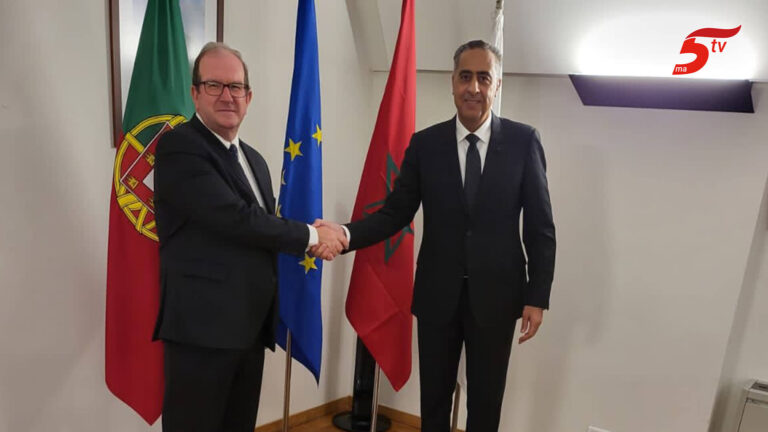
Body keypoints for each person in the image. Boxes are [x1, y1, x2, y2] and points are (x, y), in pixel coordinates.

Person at [314, 40, 556, 431]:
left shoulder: (524, 141)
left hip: (497, 297)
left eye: (483, 78)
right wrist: (344, 233)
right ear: (453, 82)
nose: (473, 87)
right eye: (465, 77)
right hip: (436, 296)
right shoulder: (425, 145)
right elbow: (395, 213)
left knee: (486, 404)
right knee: (434, 405)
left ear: (496, 85)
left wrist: (537, 295)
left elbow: (540, 227)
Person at [152, 42, 347, 432]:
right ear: (195, 93)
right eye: (214, 85)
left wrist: (318, 236)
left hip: (249, 327)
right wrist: (313, 235)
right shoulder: (180, 147)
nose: (227, 96)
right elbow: (237, 220)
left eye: (236, 86)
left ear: (248, 96)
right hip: (202, 333)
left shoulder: (253, 159)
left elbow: (262, 230)